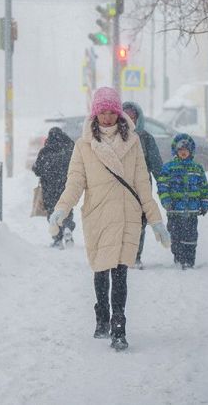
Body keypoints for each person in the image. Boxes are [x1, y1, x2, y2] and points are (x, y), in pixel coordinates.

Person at [48, 87, 171, 351]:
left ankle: (119, 327)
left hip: (127, 216)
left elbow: (141, 185)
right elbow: (75, 182)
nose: (106, 117)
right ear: (95, 113)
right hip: (98, 216)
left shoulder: (134, 142)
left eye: (111, 112)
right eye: (101, 112)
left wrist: (155, 220)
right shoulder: (84, 146)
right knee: (101, 270)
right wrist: (61, 208)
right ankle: (102, 316)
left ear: (117, 112)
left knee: (121, 272)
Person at [157, 133, 208, 270]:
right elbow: (162, 186)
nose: (183, 153)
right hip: (174, 211)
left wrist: (204, 203)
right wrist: (166, 200)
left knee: (191, 237)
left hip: (192, 211)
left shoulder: (197, 169)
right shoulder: (169, 168)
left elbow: (204, 187)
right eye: (180, 150)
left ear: (191, 152)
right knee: (175, 236)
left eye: (186, 150)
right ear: (175, 151)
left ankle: (189, 260)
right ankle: (179, 258)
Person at [122, 101, 163, 269]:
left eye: (133, 116)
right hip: (120, 186)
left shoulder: (145, 138)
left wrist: (164, 185)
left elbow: (156, 165)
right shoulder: (114, 137)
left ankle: (135, 256)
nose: (130, 119)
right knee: (121, 221)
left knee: (139, 221)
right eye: (126, 116)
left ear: (138, 118)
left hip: (142, 187)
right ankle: (121, 256)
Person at [32, 127, 76, 249]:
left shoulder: (45, 152)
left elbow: (37, 170)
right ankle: (67, 226)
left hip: (49, 189)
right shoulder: (69, 150)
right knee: (66, 210)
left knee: (52, 213)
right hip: (66, 187)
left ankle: (57, 239)